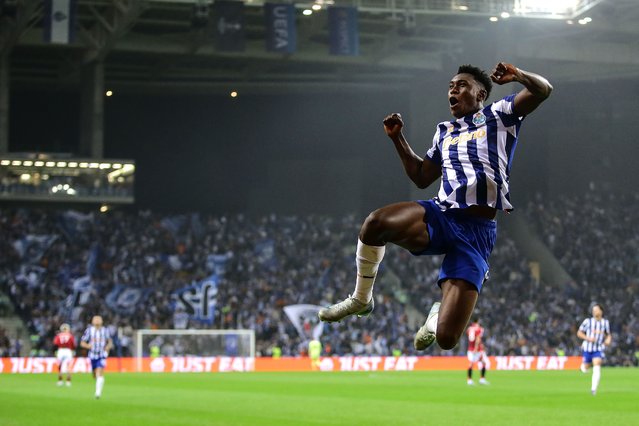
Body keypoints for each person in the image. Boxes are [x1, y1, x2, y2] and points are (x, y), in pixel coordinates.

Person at [319, 62, 552, 353]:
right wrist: (397, 139)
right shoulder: (444, 132)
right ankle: (361, 298)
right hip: (441, 214)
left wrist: (518, 75)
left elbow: (543, 90)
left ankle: (434, 318)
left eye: (462, 85)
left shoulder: (499, 114)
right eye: (450, 86)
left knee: (446, 339)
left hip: (476, 234)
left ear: (481, 94)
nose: (453, 90)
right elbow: (421, 177)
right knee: (375, 223)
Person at [577, 304, 612, 395]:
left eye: (596, 310)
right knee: (586, 367)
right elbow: (579, 333)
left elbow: (608, 334)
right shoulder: (587, 321)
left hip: (598, 348)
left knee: (597, 364)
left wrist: (608, 341)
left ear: (601, 311)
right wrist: (588, 338)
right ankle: (583, 367)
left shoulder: (605, 323)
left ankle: (593, 389)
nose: (594, 312)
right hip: (587, 348)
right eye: (593, 310)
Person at [80, 315, 113, 399]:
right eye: (96, 319)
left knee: (100, 371)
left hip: (101, 355)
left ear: (102, 321)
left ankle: (98, 392)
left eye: (99, 319)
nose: (97, 321)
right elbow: (82, 343)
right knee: (95, 374)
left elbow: (110, 342)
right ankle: (98, 382)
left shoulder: (105, 331)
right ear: (92, 321)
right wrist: (88, 346)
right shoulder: (89, 331)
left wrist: (107, 348)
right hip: (92, 355)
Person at [466, 317, 489, 385]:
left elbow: (470, 338)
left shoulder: (469, 329)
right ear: (477, 321)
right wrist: (476, 348)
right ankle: (470, 380)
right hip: (476, 350)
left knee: (483, 363)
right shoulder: (479, 329)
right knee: (471, 364)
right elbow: (478, 339)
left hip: (470, 348)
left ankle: (481, 379)